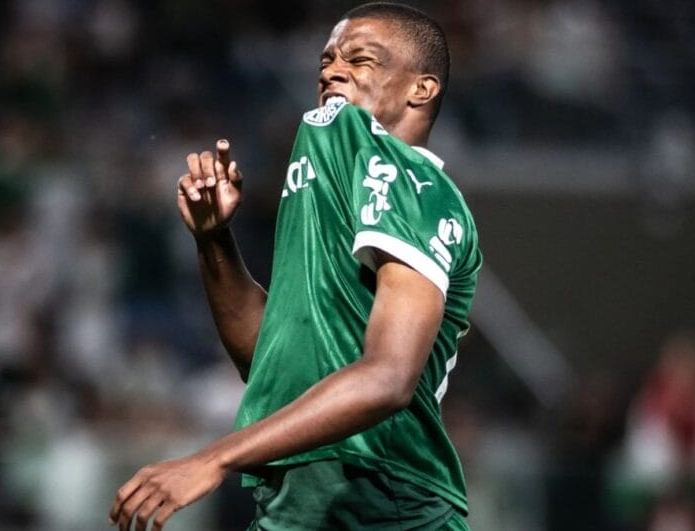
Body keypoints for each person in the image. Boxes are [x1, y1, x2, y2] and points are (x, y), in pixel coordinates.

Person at [109, 3, 482, 530]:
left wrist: (212, 457)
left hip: (385, 503)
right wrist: (214, 238)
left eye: (361, 60)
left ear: (420, 89)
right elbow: (267, 361)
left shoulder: (421, 191)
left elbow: (390, 377)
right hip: (294, 505)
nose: (332, 70)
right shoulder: (329, 191)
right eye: (327, 60)